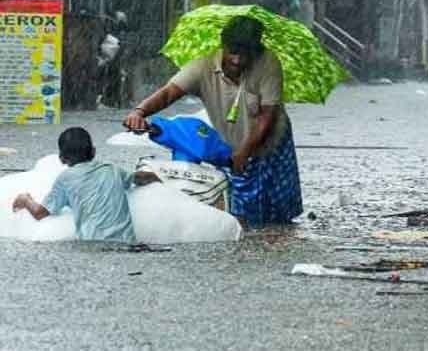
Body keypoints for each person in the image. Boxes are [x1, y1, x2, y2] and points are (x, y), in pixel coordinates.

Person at [123, 16, 303, 226]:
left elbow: (267, 115)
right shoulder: (202, 67)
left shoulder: (268, 63)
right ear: (224, 46)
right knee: (241, 204)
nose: (237, 60)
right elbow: (168, 93)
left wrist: (246, 150)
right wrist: (139, 111)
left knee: (278, 207)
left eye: (245, 55)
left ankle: (276, 234)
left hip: (271, 138)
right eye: (233, 53)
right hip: (233, 142)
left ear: (255, 52)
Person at [11, 128, 160, 243]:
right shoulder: (111, 169)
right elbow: (138, 179)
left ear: (62, 159)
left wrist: (25, 200)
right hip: (128, 242)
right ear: (93, 152)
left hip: (94, 244)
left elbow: (40, 213)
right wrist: (157, 177)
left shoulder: (65, 179)